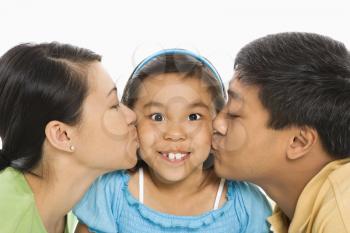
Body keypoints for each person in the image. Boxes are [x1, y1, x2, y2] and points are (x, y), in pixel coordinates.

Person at [73, 49, 272, 233]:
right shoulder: (110, 193)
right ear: (132, 121)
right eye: (157, 117)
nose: (175, 134)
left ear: (217, 123)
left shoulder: (246, 204)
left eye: (193, 117)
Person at [212, 32, 350, 233]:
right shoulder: (293, 213)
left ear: (298, 142)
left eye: (233, 114)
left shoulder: (343, 214)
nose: (217, 124)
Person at [0, 42, 139, 233]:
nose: (132, 116)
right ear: (62, 135)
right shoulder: (6, 212)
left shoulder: (74, 208)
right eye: (114, 105)